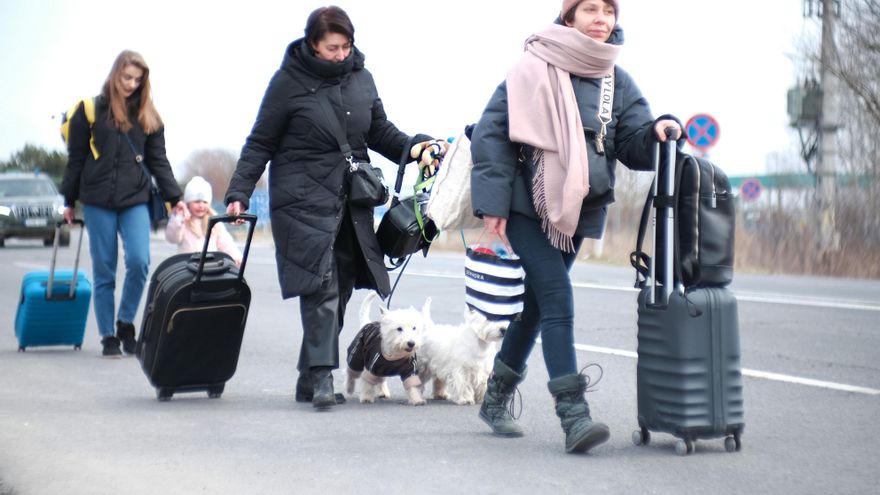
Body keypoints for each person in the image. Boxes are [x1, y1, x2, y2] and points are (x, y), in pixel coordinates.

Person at [470, 0, 683, 453]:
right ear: (569, 17)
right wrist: (492, 202)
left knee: (536, 306)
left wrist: (657, 130)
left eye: (609, 10)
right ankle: (573, 414)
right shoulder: (532, 66)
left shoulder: (615, 80)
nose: (601, 18)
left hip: (579, 208)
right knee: (557, 295)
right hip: (527, 203)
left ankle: (494, 398)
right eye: (590, 9)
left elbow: (631, 141)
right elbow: (492, 132)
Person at [225, 5, 445, 410]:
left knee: (341, 286)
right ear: (312, 44)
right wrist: (239, 189)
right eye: (332, 47)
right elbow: (260, 142)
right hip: (302, 198)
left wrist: (417, 146)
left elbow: (379, 131)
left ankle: (309, 373)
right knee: (321, 284)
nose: (341, 54)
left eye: (346, 46)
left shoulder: (362, 78)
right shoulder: (287, 83)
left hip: (351, 201)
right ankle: (323, 376)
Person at [61, 50, 184, 357]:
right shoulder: (90, 111)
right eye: (127, 77)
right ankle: (107, 336)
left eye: (138, 79)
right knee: (104, 271)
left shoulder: (148, 115)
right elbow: (76, 159)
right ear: (115, 74)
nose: (131, 84)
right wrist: (68, 200)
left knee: (140, 262)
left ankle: (125, 321)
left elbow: (158, 160)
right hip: (98, 201)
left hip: (135, 199)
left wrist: (174, 197)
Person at [166, 176, 242, 266]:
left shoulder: (214, 221)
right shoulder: (183, 220)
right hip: (187, 267)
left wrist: (235, 256)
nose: (201, 206)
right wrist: (178, 219)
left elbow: (225, 242)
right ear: (188, 203)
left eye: (205, 202)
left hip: (211, 266)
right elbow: (173, 238)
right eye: (197, 202)